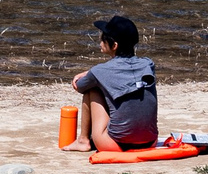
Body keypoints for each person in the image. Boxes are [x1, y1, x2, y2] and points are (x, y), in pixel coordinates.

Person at [64, 15, 159, 152]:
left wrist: (88, 75)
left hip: (116, 145)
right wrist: (92, 73)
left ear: (114, 45)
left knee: (92, 89)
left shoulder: (99, 71)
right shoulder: (148, 64)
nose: (100, 42)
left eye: (103, 39)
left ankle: (83, 140)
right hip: (149, 142)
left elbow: (79, 86)